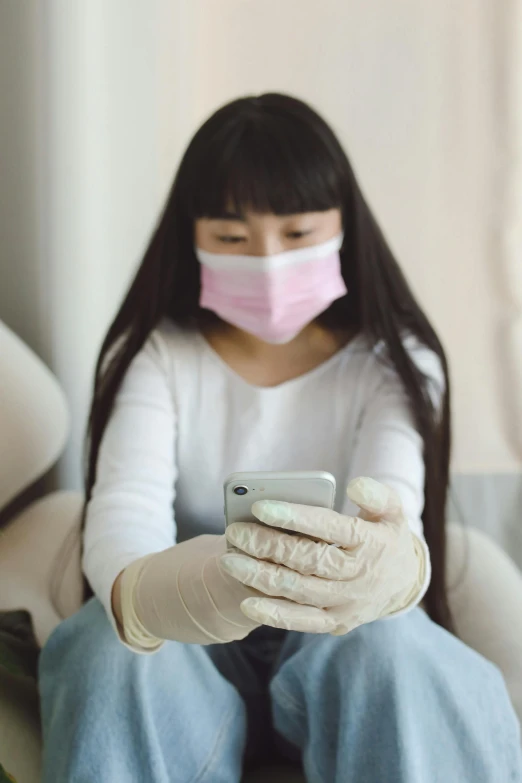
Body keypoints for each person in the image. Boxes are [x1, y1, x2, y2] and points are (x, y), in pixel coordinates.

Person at [38, 93, 522, 783]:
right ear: (191, 236)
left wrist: (388, 569)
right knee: (111, 646)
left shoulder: (396, 363)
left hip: (343, 644)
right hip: (190, 656)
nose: (266, 263)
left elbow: (392, 512)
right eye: (233, 239)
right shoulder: (156, 356)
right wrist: (174, 593)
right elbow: (123, 520)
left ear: (343, 226)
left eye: (296, 234)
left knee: (391, 648)